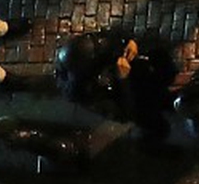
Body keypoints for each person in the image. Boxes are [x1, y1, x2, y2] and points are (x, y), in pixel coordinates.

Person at [54, 28, 182, 146]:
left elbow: (114, 35)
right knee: (158, 126)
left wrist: (129, 42)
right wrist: (123, 80)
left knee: (159, 62)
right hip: (130, 98)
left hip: (138, 77)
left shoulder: (89, 46)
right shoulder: (84, 91)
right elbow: (125, 113)